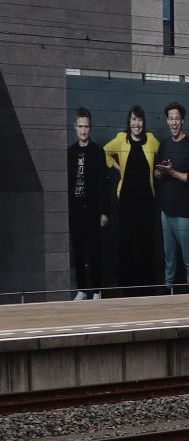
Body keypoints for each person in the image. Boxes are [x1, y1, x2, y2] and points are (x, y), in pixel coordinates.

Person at [103, 106, 160, 295]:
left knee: (144, 241)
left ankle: (146, 285)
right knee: (127, 241)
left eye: (140, 120)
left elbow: (161, 157)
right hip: (127, 199)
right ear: (129, 121)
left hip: (146, 199)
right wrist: (118, 167)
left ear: (144, 122)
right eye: (134, 120)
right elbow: (104, 152)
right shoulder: (121, 139)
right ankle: (127, 285)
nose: (137, 124)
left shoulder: (151, 140)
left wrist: (160, 170)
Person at [154, 101, 189, 294]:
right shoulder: (163, 145)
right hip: (166, 213)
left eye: (177, 119)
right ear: (167, 121)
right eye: (171, 118)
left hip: (183, 214)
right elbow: (156, 175)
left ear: (182, 121)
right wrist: (162, 171)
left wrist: (172, 172)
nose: (174, 122)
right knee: (169, 256)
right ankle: (168, 288)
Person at [66, 108, 111, 299]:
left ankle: (97, 290)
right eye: (80, 127)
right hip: (75, 209)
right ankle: (83, 290)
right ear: (75, 128)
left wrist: (104, 212)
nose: (83, 130)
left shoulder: (98, 152)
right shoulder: (69, 152)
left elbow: (103, 184)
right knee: (78, 251)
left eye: (86, 127)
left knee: (95, 252)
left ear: (90, 128)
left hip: (93, 209)